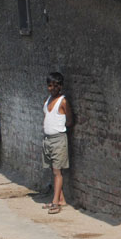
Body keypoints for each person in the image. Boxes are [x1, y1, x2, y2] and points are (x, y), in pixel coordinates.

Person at [43, 72, 74, 214]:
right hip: (48, 139)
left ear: (60, 86)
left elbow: (70, 121)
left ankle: (55, 202)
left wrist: (60, 129)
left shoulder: (63, 101)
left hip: (58, 139)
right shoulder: (47, 100)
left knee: (57, 171)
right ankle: (61, 199)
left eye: (55, 86)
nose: (52, 88)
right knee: (53, 169)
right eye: (50, 86)